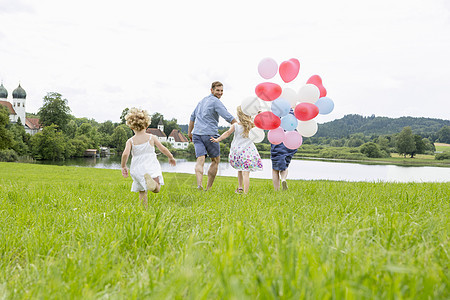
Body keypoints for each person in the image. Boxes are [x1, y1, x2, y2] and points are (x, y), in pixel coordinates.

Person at [121, 108, 176, 208]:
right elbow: (163, 149)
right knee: (157, 188)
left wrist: (123, 166)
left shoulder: (130, 141)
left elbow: (125, 154)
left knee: (142, 191)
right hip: (150, 165)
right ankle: (153, 185)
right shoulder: (151, 137)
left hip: (137, 167)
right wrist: (171, 157)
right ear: (147, 125)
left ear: (131, 127)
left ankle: (143, 209)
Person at [188, 81, 237, 190]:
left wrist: (189, 133)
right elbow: (227, 115)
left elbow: (192, 118)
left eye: (221, 91)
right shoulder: (216, 102)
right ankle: (208, 188)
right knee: (215, 160)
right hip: (210, 135)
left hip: (196, 134)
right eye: (218, 90)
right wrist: (237, 124)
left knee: (200, 159)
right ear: (212, 90)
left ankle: (199, 185)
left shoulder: (202, 101)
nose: (220, 93)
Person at [210, 106, 263, 194]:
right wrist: (257, 112)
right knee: (246, 173)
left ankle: (240, 188)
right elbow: (259, 118)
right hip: (248, 151)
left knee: (240, 169)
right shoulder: (251, 124)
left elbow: (227, 133)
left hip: (237, 151)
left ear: (239, 114)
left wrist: (218, 139)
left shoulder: (235, 125)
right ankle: (245, 193)